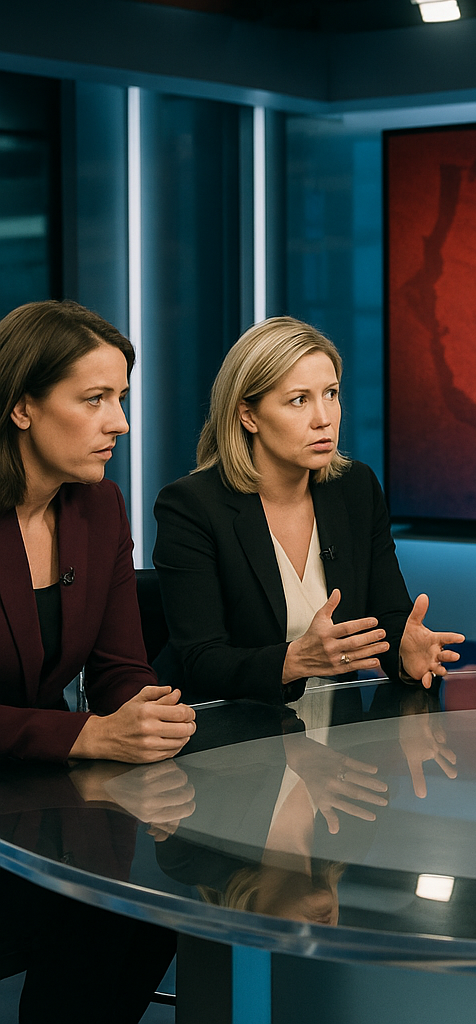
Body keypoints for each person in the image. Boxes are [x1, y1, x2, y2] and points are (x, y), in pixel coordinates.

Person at [0, 299, 194, 1023]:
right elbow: (86, 725)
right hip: (32, 777)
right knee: (92, 914)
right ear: (23, 406)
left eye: (122, 398)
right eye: (94, 400)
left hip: (43, 794)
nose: (120, 423)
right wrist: (89, 734)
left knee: (157, 898)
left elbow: (118, 668)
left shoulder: (99, 506)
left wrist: (145, 712)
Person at [153, 316, 463, 704]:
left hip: (344, 736)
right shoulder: (191, 507)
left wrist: (405, 653)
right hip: (238, 731)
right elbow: (201, 661)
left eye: (331, 394)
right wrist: (292, 662)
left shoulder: (355, 488)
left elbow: (387, 616)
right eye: (299, 400)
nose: (324, 419)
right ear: (248, 415)